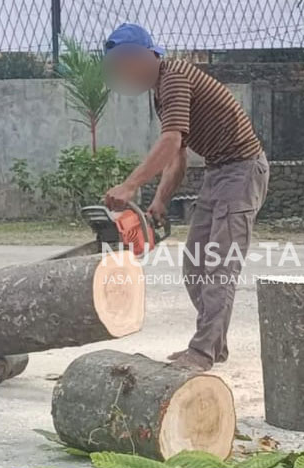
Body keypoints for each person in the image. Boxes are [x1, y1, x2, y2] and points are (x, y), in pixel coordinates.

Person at [103, 23, 269, 371]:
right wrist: (161, 200)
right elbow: (177, 156)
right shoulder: (161, 92)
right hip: (218, 171)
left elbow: (170, 141)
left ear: (147, 56)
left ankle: (203, 352)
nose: (125, 73)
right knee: (195, 263)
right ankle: (214, 344)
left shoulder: (175, 75)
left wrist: (130, 186)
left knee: (219, 268)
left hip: (241, 170)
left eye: (127, 64)